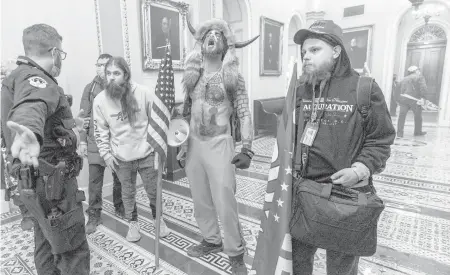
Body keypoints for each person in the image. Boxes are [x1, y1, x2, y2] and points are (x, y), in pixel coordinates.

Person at [290, 20, 395, 274]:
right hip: (304, 193)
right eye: (304, 52)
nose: (306, 57)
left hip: (344, 197)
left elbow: (381, 138)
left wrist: (360, 170)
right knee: (298, 263)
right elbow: (291, 136)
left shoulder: (364, 88)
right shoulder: (302, 89)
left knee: (341, 268)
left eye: (315, 50)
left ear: (336, 51)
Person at [1, 23, 90, 274]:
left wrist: (72, 126)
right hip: (54, 185)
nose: (59, 60)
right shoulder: (37, 79)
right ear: (53, 52)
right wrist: (29, 129)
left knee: (45, 239)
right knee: (72, 249)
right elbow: (32, 105)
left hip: (33, 183)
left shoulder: (15, 77)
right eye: (60, 54)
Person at [180, 18, 259, 275]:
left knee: (224, 201)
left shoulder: (232, 77)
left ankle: (235, 251)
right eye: (208, 34)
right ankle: (211, 240)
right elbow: (186, 110)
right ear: (201, 42)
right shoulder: (192, 75)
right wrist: (180, 143)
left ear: (225, 44)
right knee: (200, 199)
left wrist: (247, 147)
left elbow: (245, 112)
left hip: (220, 144)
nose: (212, 37)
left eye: (218, 34)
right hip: (194, 145)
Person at [93, 56, 169, 242]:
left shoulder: (143, 93)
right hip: (121, 158)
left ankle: (158, 219)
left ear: (126, 75)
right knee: (127, 193)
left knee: (153, 191)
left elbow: (158, 122)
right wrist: (106, 155)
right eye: (108, 73)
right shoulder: (100, 100)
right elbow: (100, 131)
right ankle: (133, 223)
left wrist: (159, 151)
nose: (111, 77)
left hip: (146, 154)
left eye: (116, 73)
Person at [79, 53, 138, 234]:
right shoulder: (90, 89)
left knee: (120, 179)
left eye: (105, 65)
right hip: (95, 142)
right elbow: (83, 117)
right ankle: (94, 213)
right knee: (95, 182)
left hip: (117, 142)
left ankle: (119, 205)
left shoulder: (123, 89)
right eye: (99, 64)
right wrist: (82, 142)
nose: (102, 68)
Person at [396, 66, 428, 138]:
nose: (419, 72)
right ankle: (417, 132)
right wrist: (424, 98)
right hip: (415, 100)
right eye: (418, 70)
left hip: (403, 100)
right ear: (416, 71)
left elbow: (397, 89)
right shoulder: (420, 77)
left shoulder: (403, 79)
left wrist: (398, 100)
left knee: (401, 116)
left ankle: (399, 133)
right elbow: (423, 88)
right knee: (418, 116)